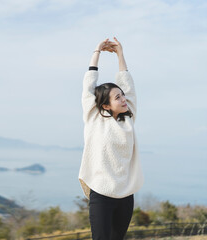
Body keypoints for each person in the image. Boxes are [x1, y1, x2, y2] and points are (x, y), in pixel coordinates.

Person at [78, 37, 144, 240]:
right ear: (105, 105)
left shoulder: (128, 119)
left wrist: (120, 54)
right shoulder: (95, 118)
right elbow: (89, 85)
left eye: (122, 96)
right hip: (101, 194)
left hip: (125, 195)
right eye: (117, 98)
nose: (123, 99)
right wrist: (97, 51)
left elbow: (128, 85)